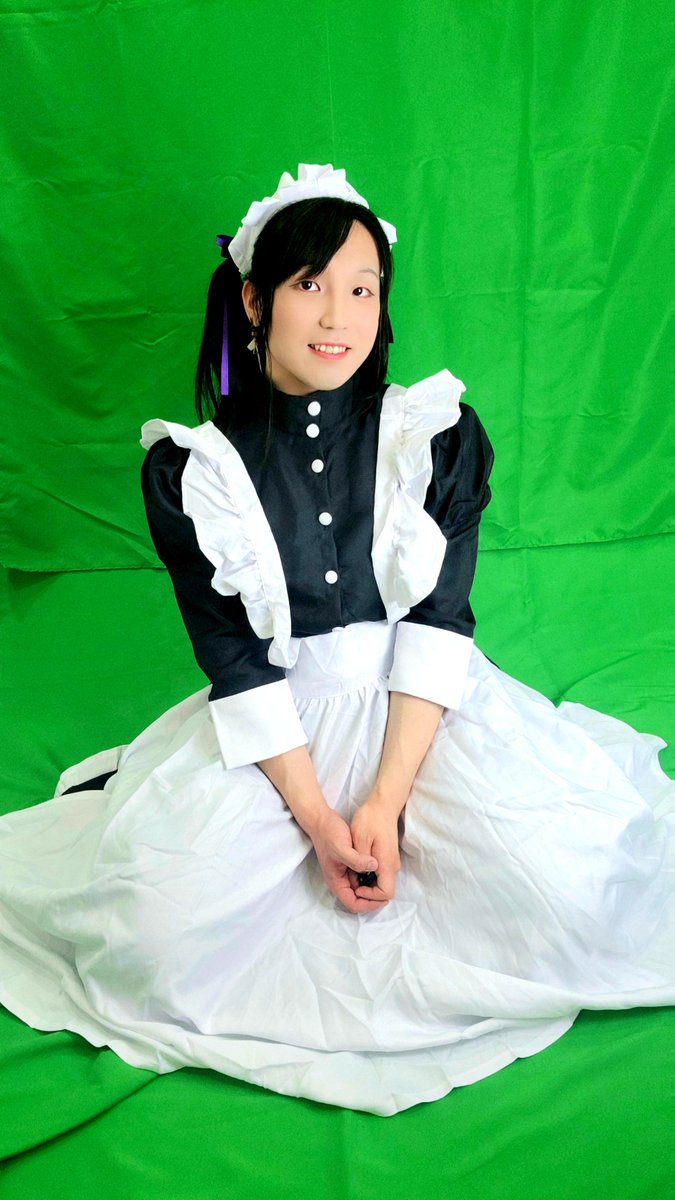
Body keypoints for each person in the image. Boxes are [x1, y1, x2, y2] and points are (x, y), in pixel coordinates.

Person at [0, 164, 673, 1117]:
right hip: (279, 732)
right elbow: (233, 660)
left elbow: (439, 622)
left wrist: (386, 801)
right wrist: (321, 821)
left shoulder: (434, 434)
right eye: (309, 284)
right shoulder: (193, 472)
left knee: (567, 890)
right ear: (253, 301)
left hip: (424, 712)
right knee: (153, 936)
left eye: (362, 289)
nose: (337, 316)